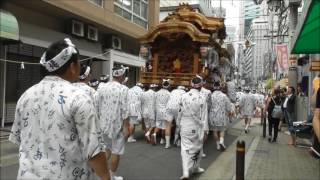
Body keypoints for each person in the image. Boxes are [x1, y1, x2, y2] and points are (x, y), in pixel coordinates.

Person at [9, 38, 109, 180]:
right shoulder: (78, 98)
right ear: (73, 67)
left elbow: (20, 139)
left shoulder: (25, 96)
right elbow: (94, 151)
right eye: (79, 64)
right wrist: (106, 177)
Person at [96, 65, 130, 180]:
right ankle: (111, 176)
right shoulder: (123, 89)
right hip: (117, 126)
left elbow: (97, 105)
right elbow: (125, 109)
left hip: (103, 124)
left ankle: (102, 175)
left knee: (106, 148)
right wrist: (126, 126)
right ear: (121, 75)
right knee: (116, 151)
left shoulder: (102, 87)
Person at [178, 76, 208, 179]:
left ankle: (186, 171)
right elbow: (204, 116)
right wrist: (205, 130)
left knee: (185, 148)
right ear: (201, 86)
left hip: (185, 125)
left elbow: (179, 112)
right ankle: (195, 167)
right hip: (197, 126)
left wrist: (178, 124)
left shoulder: (183, 96)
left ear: (191, 84)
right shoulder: (202, 97)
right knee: (198, 147)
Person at [209, 82, 233, 151]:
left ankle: (217, 144)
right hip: (222, 116)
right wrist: (229, 113)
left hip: (213, 116)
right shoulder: (224, 96)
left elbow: (208, 106)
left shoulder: (211, 96)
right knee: (222, 130)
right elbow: (228, 107)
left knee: (215, 131)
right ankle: (221, 141)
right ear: (220, 88)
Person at [154, 79, 171, 146]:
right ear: (168, 86)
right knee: (164, 126)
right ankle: (162, 139)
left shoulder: (157, 93)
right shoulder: (169, 94)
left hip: (158, 110)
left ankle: (154, 134)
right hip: (165, 111)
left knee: (158, 124)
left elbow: (155, 101)